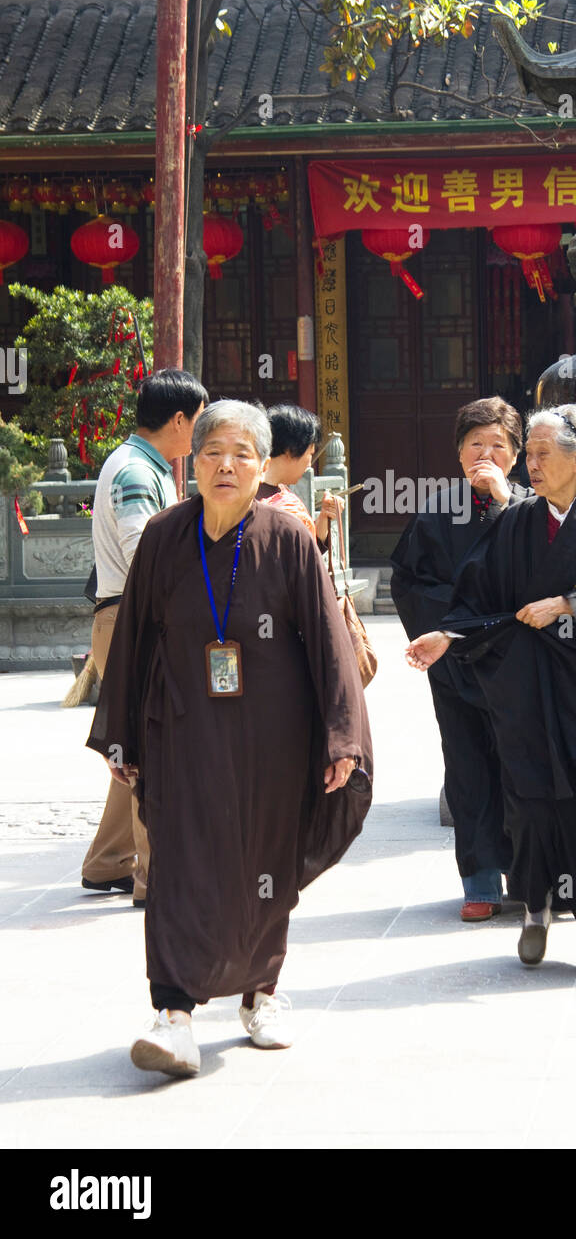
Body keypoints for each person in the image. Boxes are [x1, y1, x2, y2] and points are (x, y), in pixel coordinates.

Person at [87, 400, 372, 1077]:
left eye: (244, 453)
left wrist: (341, 737)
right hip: (182, 728)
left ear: (262, 465)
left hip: (273, 737)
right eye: (214, 450)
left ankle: (261, 995)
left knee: (263, 866)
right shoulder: (163, 535)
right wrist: (121, 737)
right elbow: (134, 642)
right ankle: (175, 1012)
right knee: (180, 861)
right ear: (195, 461)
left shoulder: (287, 537)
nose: (226, 465)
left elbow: (330, 645)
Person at [406, 405, 576, 975]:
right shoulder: (515, 524)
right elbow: (481, 597)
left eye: (543, 453)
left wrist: (573, 604)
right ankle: (537, 911)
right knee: (533, 805)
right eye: (533, 453)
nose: (532, 464)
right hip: (531, 692)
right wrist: (449, 634)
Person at [391, 397, 533, 922]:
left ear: (516, 456)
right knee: (469, 769)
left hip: (521, 664)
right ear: (458, 453)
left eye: (499, 445)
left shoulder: (534, 510)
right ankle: (479, 882)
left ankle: (531, 875)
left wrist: (505, 507)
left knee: (525, 770)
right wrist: (455, 627)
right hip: (457, 667)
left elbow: (545, 577)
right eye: (476, 444)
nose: (487, 454)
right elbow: (409, 581)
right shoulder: (435, 511)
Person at [80, 368, 208, 909]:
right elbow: (145, 554)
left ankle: (107, 863)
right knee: (154, 748)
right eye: (199, 423)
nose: (200, 436)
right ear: (179, 420)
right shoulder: (137, 471)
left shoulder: (137, 463)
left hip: (121, 616)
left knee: (130, 738)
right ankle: (154, 880)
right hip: (134, 619)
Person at [256, 403, 342, 547]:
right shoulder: (262, 503)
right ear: (292, 450)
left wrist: (323, 518)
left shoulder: (271, 492)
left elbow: (304, 555)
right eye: (310, 454)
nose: (309, 464)